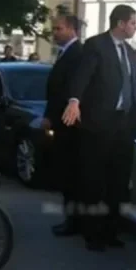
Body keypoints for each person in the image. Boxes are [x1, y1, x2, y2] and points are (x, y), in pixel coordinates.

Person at [62, 5, 136, 252]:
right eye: (132, 23)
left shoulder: (129, 51)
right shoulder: (96, 46)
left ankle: (111, 231)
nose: (135, 28)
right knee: (94, 182)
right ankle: (92, 233)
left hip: (123, 125)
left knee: (118, 182)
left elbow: (132, 87)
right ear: (120, 23)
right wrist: (74, 100)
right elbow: (82, 76)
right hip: (98, 125)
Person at [42, 15, 84, 237]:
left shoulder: (77, 54)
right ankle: (72, 218)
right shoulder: (66, 53)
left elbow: (66, 91)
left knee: (71, 175)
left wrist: (53, 115)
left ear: (71, 29)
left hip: (70, 125)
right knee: (67, 174)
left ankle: (74, 221)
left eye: (59, 28)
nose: (54, 33)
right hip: (61, 122)